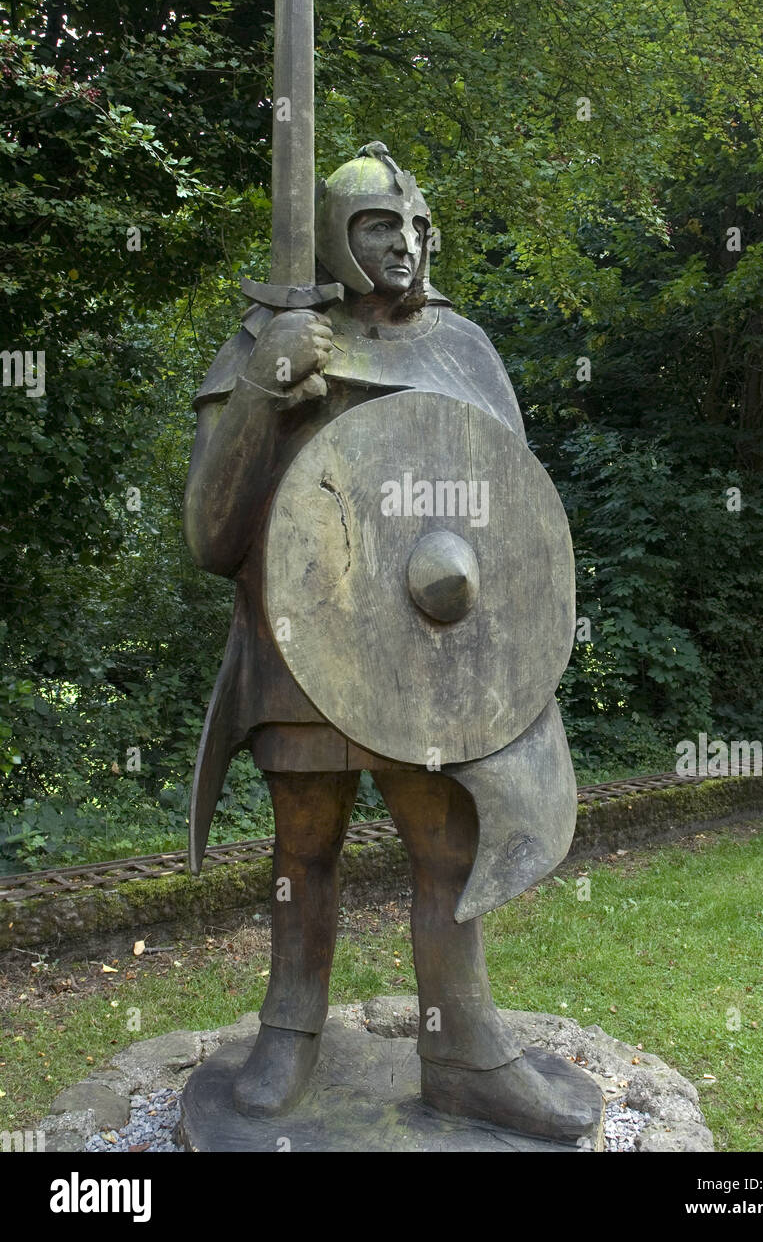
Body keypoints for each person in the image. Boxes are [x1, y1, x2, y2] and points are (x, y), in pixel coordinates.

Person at [183, 143, 587, 1141]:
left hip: (430, 662)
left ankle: (466, 1050)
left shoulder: (464, 350)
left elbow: (509, 511)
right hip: (299, 644)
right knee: (303, 845)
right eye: (377, 227)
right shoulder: (264, 345)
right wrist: (262, 396)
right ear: (334, 238)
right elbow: (211, 534)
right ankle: (289, 1030)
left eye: (416, 227)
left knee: (446, 847)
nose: (403, 245)